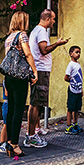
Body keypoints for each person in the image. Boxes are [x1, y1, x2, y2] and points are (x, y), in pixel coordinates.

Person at [27, 9, 68, 147]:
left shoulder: (36, 31)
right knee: (36, 103)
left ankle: (35, 129)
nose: (54, 21)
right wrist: (58, 43)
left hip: (39, 69)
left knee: (37, 101)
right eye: (53, 19)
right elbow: (44, 50)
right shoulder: (41, 31)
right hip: (40, 70)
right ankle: (31, 136)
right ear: (47, 19)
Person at [2, 11, 38, 158]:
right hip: (19, 78)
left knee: (11, 109)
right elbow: (28, 54)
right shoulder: (22, 35)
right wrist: (34, 71)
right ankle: (15, 144)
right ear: (23, 21)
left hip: (9, 77)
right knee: (18, 110)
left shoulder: (9, 38)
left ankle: (9, 141)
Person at [65, 45, 83, 134]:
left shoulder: (78, 64)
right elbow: (66, 77)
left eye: (79, 52)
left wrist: (81, 88)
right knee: (70, 108)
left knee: (76, 108)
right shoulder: (71, 65)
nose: (78, 54)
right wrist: (72, 82)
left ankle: (75, 123)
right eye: (76, 52)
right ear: (71, 54)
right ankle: (68, 126)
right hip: (72, 90)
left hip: (78, 90)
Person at [0, 85, 9, 153]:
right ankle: (1, 143)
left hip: (10, 103)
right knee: (6, 124)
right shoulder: (6, 81)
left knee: (8, 125)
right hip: (7, 103)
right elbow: (7, 93)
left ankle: (7, 141)